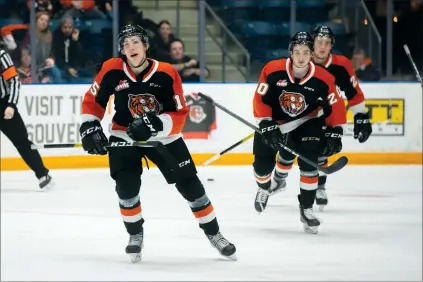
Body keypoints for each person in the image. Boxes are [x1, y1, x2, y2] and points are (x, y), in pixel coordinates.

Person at [79, 24, 236, 263]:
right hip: (124, 135)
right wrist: (89, 126)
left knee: (191, 186)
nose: (131, 47)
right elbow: (93, 100)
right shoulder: (111, 70)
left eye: (135, 42)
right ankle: (135, 235)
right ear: (122, 50)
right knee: (126, 188)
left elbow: (181, 114)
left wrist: (155, 125)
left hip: (164, 137)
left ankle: (215, 234)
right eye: (126, 44)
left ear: (145, 46)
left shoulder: (166, 73)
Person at [252, 32, 347, 234]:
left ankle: (307, 209)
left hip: (306, 121)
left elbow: (336, 104)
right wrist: (267, 124)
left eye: (306, 52)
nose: (301, 57)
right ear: (290, 53)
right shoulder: (272, 70)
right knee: (261, 168)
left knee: (309, 161)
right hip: (275, 122)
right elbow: (259, 99)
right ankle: (263, 188)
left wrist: (336, 129)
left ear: (312, 54)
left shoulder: (324, 77)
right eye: (297, 52)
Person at [310, 26, 372, 210]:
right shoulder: (302, 60)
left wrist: (361, 117)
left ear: (331, 45)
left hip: (329, 114)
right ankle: (279, 179)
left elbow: (354, 93)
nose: (322, 47)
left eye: (326, 43)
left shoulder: (342, 64)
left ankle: (319, 186)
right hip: (302, 112)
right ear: (312, 44)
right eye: (319, 43)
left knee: (323, 147)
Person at [0, 44, 53, 189]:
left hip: (3, 105)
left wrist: (11, 105)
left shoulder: (1, 56)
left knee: (22, 142)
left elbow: (14, 81)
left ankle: (42, 174)